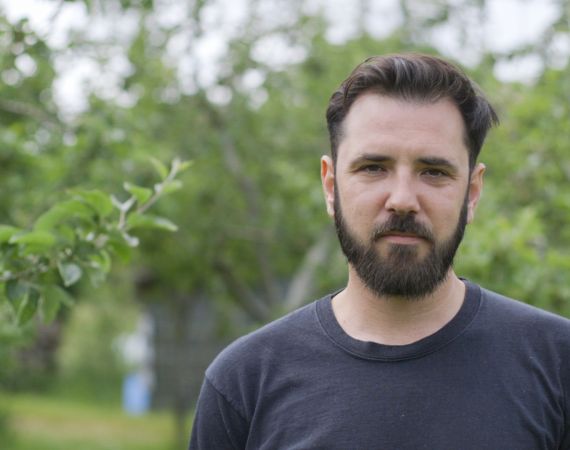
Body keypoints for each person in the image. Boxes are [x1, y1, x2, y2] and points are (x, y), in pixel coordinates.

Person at [189, 53, 570, 449]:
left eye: (434, 172)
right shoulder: (243, 383)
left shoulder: (558, 365)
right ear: (330, 185)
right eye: (373, 167)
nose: (403, 199)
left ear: (472, 193)